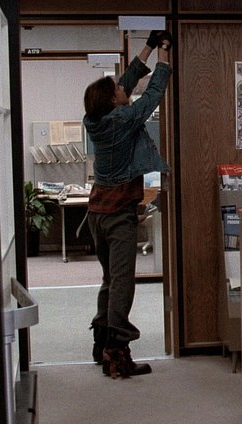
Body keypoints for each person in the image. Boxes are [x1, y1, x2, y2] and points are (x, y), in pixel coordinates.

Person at [83, 30, 172, 379]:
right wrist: (164, 52)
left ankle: (101, 340)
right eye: (118, 90)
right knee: (123, 282)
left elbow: (127, 82)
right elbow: (153, 94)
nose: (123, 88)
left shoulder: (95, 120)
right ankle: (117, 353)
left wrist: (147, 46)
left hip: (96, 213)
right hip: (118, 214)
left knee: (110, 279)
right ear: (114, 101)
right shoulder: (123, 121)